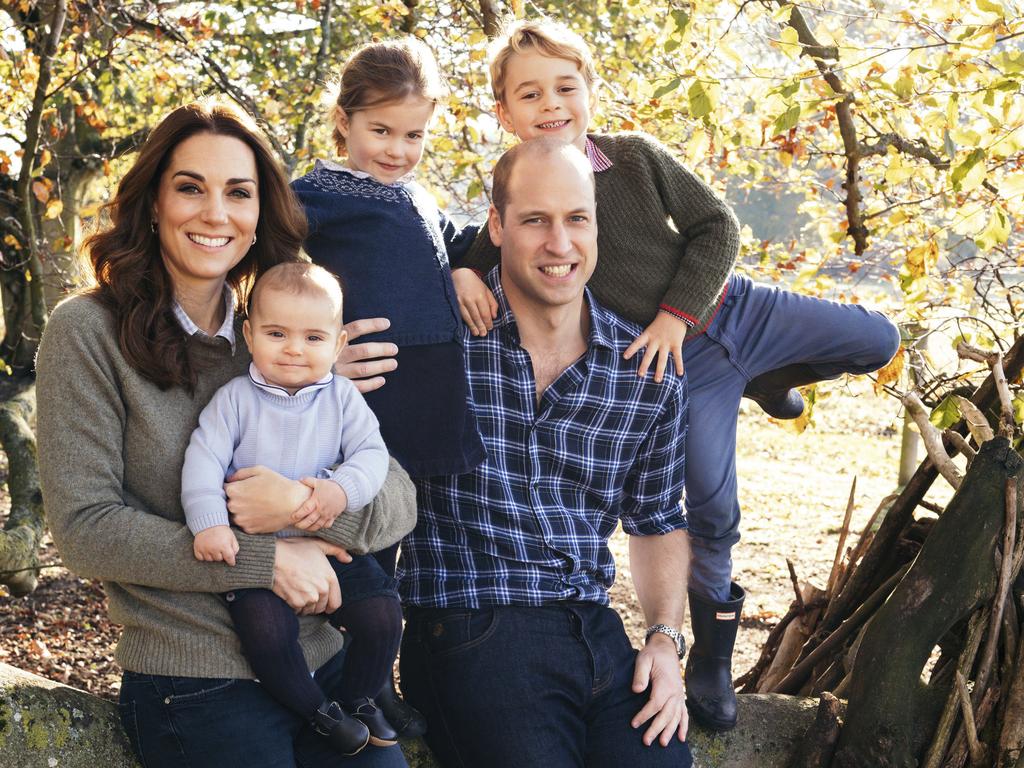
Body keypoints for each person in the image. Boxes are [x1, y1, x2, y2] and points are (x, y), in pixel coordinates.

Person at [450, 17, 901, 732]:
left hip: (734, 311)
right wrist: (459, 274)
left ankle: (771, 375)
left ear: (590, 91)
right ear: (504, 113)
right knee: (711, 508)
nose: (552, 104)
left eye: (566, 86)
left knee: (879, 337)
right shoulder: (524, 198)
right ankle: (712, 663)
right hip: (683, 371)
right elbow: (482, 250)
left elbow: (717, 226)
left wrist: (674, 314)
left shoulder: (633, 158)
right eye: (529, 95)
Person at [36, 99, 415, 768]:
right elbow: (86, 530)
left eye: (238, 193)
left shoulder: (281, 335)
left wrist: (303, 504)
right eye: (190, 188)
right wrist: (269, 559)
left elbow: (397, 494)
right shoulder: (86, 332)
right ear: (152, 203)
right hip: (197, 680)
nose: (216, 213)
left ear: (260, 212)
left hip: (324, 661)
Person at [398, 138, 693, 768]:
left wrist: (665, 640)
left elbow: (658, 519)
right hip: (471, 621)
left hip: (597, 632)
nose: (560, 244)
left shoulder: (645, 371)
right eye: (535, 220)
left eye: (576, 219)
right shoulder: (439, 346)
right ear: (498, 226)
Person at [290, 38, 486, 736]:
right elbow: (268, 269)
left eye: (414, 135)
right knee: (360, 543)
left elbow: (456, 238)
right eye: (381, 131)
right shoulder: (316, 195)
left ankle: (380, 675)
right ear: (343, 121)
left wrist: (464, 267)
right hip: (371, 396)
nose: (398, 149)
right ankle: (355, 681)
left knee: (396, 543)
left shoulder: (416, 194)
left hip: (428, 397)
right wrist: (312, 346)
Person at [181, 262, 401, 755]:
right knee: (266, 633)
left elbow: (371, 456)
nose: (294, 349)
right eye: (276, 333)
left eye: (313, 337)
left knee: (382, 614)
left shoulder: (342, 398)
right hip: (256, 553)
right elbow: (202, 461)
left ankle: (358, 697)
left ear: (339, 344)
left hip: (325, 546)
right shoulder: (234, 400)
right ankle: (317, 712)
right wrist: (210, 524)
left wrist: (338, 492)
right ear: (249, 334)